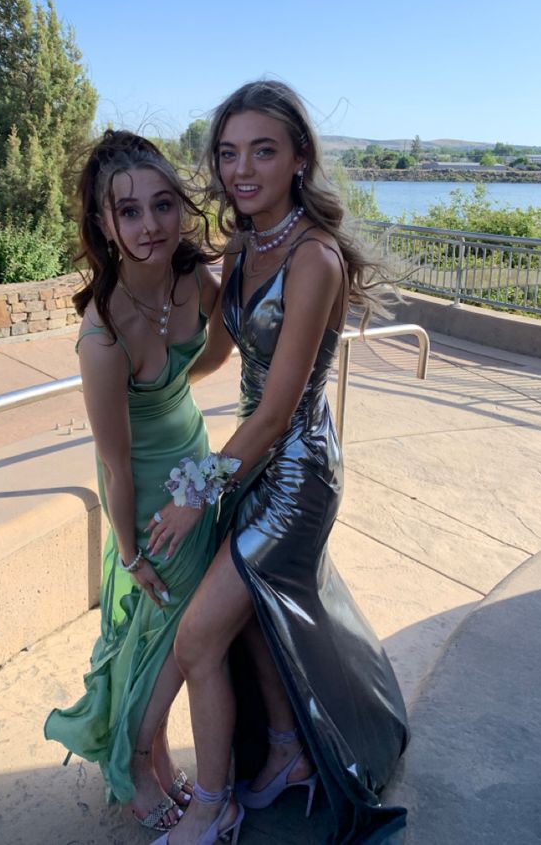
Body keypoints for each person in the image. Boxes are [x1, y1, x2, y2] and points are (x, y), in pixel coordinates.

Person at [146, 81, 410, 844]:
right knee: (256, 617)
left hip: (296, 474)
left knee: (200, 636)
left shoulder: (313, 257)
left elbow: (276, 409)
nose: (241, 169)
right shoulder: (246, 244)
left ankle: (212, 805)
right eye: (229, 153)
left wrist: (197, 490)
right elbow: (221, 351)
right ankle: (289, 751)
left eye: (262, 151)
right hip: (253, 462)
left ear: (299, 158)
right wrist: (152, 384)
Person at [44, 130, 221, 832]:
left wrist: (178, 389)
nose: (151, 225)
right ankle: (139, 764)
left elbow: (213, 351)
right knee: (162, 639)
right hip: (146, 500)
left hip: (195, 471)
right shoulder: (103, 337)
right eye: (130, 211)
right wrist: (128, 555)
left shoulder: (191, 278)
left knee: (181, 634)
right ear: (104, 223)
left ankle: (157, 755)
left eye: (163, 204)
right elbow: (114, 465)